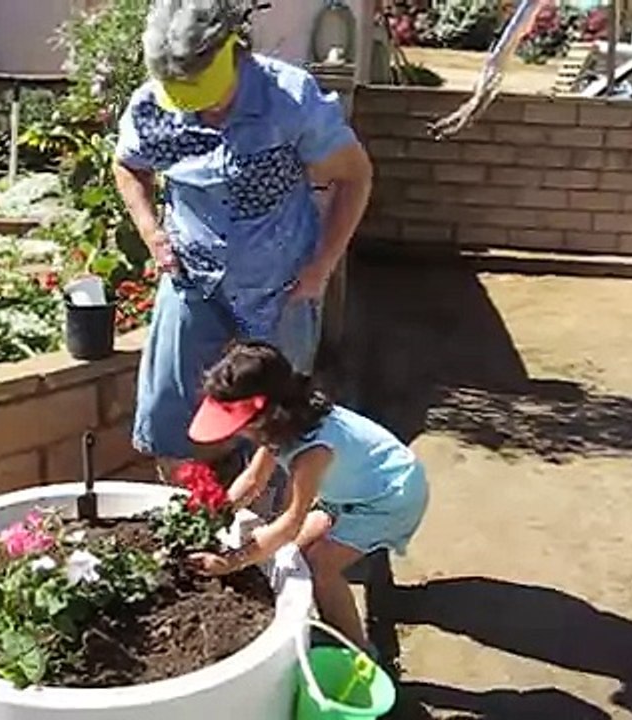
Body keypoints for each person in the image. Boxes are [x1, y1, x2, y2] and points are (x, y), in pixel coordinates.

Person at [113, 0, 373, 485]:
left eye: (210, 95)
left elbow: (355, 177)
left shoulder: (291, 102)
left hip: (282, 286)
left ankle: (269, 540)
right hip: (192, 279)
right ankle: (187, 520)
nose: (207, 113)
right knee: (170, 419)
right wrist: (151, 231)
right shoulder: (152, 106)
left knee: (281, 425)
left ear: (232, 52)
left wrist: (321, 268)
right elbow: (128, 165)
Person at [186, 340, 429, 651]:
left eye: (238, 425)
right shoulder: (282, 424)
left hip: (390, 496)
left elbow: (290, 521)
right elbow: (252, 481)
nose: (235, 433)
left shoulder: (311, 451)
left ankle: (358, 650)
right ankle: (330, 621)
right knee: (290, 554)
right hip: (352, 490)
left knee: (319, 566)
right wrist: (215, 514)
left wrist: (231, 562)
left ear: (265, 413)